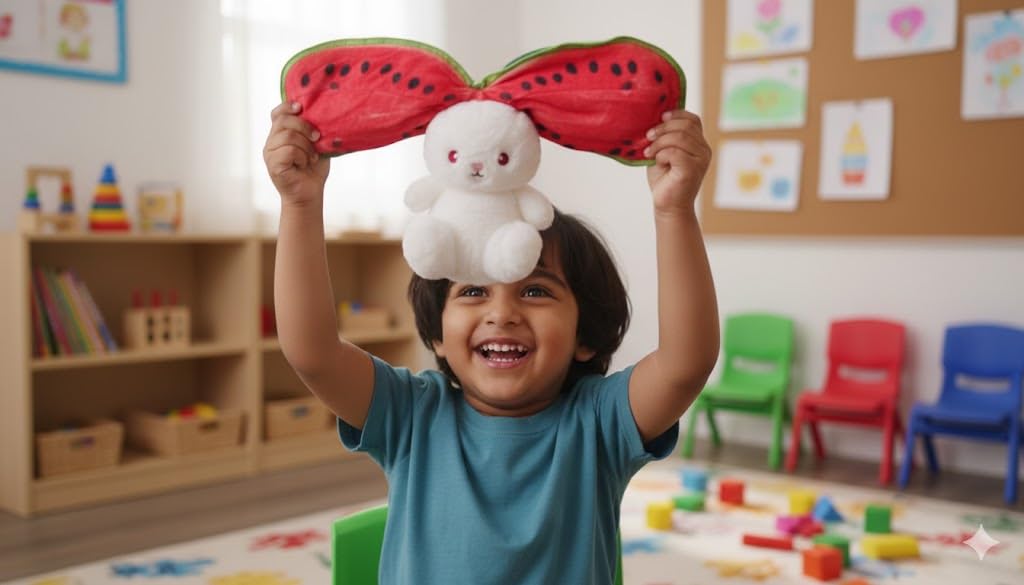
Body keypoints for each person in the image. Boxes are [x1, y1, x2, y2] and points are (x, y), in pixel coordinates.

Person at [264, 100, 718, 584]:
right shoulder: (412, 415)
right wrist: (300, 204)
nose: (502, 313)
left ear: (586, 335)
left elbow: (685, 363)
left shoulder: (598, 424)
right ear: (438, 333)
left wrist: (674, 210)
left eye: (536, 291)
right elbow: (312, 353)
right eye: (473, 291)